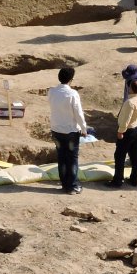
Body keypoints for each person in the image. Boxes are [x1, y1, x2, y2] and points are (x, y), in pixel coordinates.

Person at [48, 66, 89, 195]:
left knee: (61, 157)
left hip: (56, 129)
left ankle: (64, 184)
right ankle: (72, 186)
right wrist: (84, 129)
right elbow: (78, 113)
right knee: (72, 159)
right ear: (71, 79)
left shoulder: (52, 91)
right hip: (70, 131)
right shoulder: (73, 94)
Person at [108, 78, 137, 187]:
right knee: (135, 154)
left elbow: (126, 119)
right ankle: (134, 179)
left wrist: (121, 131)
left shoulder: (130, 103)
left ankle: (117, 180)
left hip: (129, 130)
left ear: (130, 89)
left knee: (120, 155)